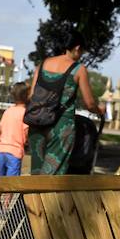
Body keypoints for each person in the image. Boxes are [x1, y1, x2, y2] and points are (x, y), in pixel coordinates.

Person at [28, 31, 104, 175]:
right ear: (77, 48)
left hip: (37, 123)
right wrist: (99, 110)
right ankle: (46, 198)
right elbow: (89, 103)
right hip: (60, 128)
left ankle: (30, 197)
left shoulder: (42, 65)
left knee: (36, 173)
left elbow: (32, 95)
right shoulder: (78, 69)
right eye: (82, 51)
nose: (81, 55)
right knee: (52, 175)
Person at [0, 82, 30, 213]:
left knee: (1, 177)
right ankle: (5, 206)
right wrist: (26, 142)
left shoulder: (8, 111)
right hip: (15, 151)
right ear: (26, 96)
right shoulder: (25, 113)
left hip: (2, 150)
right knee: (12, 181)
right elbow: (25, 132)